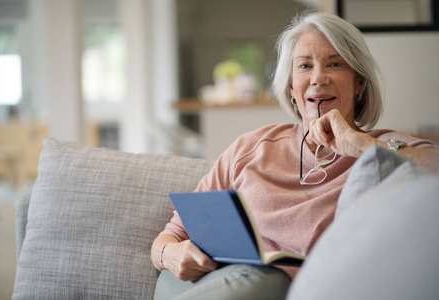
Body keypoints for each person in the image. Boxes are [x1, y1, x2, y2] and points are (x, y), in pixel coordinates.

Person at [151, 11, 439, 300]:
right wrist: (172, 254)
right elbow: (171, 235)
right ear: (290, 86)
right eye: (304, 66)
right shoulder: (250, 148)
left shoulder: (382, 148)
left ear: (359, 83)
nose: (318, 78)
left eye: (335, 64)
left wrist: (360, 144)